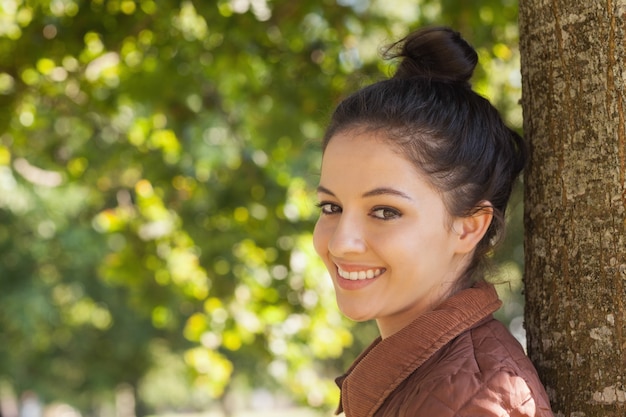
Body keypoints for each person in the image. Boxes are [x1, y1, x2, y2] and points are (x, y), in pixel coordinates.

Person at [312, 26, 554, 417]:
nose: (341, 243)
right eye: (331, 207)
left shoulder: (475, 401)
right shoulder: (425, 376)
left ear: (470, 225)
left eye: (385, 211)